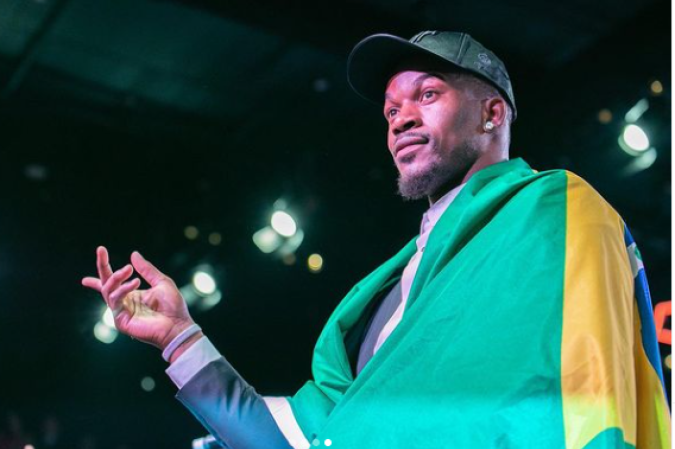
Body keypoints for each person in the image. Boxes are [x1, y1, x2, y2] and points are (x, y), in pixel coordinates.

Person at [82, 31, 671, 449]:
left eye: (428, 95)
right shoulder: (378, 298)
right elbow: (308, 440)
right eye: (391, 111)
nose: (401, 118)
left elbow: (590, 390)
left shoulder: (556, 211)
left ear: (493, 114)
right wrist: (180, 339)